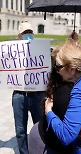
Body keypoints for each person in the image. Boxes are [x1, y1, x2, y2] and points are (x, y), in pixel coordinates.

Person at [12, 21, 45, 154]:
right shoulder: (11, 52)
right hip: (19, 96)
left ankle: (40, 151)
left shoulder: (41, 49)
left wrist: (72, 41)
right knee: (20, 130)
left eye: (30, 32)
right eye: (25, 33)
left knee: (41, 127)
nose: (28, 35)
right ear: (19, 35)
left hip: (37, 95)